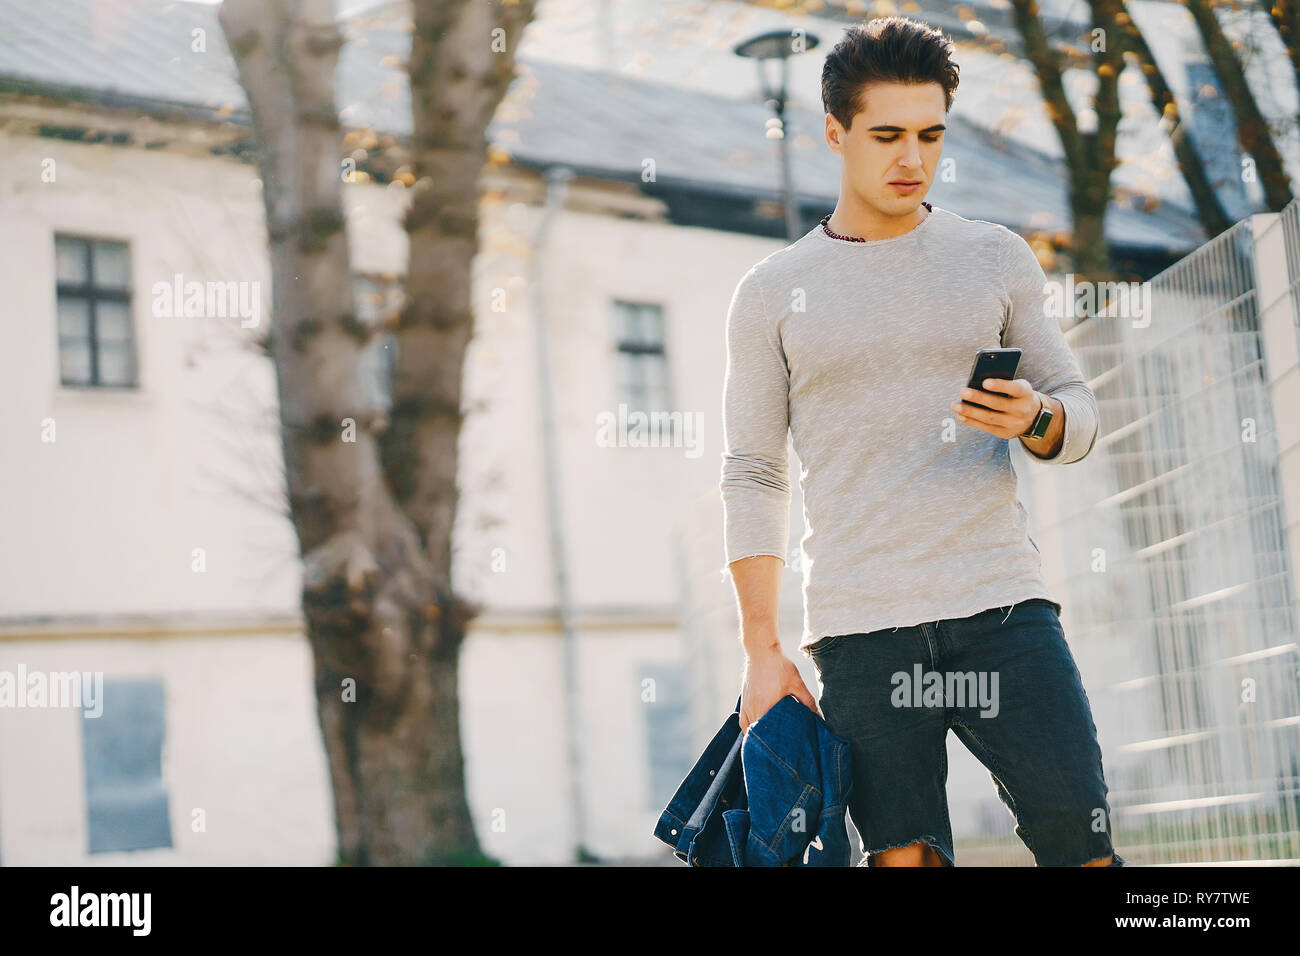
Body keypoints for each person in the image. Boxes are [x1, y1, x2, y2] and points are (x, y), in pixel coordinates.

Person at [721, 16, 1124, 868]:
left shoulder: (992, 257)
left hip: (1002, 609)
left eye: (931, 135)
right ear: (835, 133)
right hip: (863, 630)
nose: (913, 159)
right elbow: (755, 472)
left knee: (1083, 850)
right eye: (887, 135)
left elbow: (1077, 410)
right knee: (908, 864)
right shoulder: (771, 291)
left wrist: (1036, 420)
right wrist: (763, 649)